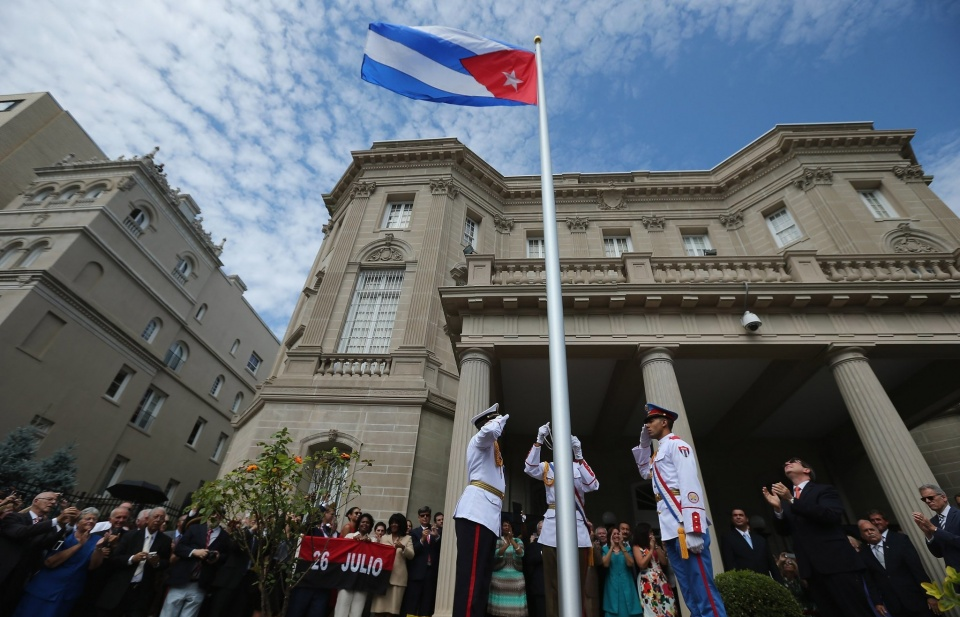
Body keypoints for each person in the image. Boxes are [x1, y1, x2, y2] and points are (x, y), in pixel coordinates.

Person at [632, 403, 726, 617]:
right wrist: (643, 444)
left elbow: (690, 485)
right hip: (670, 528)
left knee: (702, 585)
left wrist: (694, 527)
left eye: (651, 421)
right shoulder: (658, 453)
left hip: (685, 525)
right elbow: (644, 472)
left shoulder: (678, 445)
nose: (647, 425)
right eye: (645, 422)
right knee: (688, 589)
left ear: (664, 422)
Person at [762, 457, 879, 617]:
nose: (787, 463)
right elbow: (784, 531)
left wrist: (791, 499)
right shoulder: (786, 501)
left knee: (855, 611)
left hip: (837, 563)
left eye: (793, 461)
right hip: (811, 569)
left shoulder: (824, 490)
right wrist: (778, 510)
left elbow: (830, 515)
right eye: (786, 463)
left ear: (806, 470)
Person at [525, 426, 599, 617]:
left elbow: (593, 485)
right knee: (552, 586)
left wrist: (579, 455)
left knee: (579, 583)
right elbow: (529, 467)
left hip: (576, 527)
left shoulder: (577, 466)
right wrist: (538, 440)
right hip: (552, 528)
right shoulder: (548, 467)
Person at [452, 403, 509, 617]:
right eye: (494, 420)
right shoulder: (479, 441)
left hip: (487, 515)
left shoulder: (493, 450)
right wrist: (497, 421)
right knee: (471, 580)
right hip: (476, 512)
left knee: (482, 580)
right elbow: (487, 432)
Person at [11, 507, 108, 617]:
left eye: (94, 519)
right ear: (78, 521)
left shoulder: (96, 540)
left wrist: (99, 548)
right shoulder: (66, 535)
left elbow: (93, 566)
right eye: (87, 518)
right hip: (45, 587)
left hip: (69, 592)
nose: (91, 521)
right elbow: (50, 562)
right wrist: (79, 546)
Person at [0, 491, 78, 616]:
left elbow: (47, 544)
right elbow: (20, 533)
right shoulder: (15, 517)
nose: (53, 503)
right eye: (49, 499)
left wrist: (61, 523)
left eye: (55, 501)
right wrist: (55, 520)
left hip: (19, 579)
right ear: (36, 501)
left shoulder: (46, 525)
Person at [96, 507, 172, 617]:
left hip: (142, 591)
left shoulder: (165, 540)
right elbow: (115, 558)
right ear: (148, 519)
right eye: (156, 517)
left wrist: (156, 563)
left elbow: (166, 563)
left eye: (161, 518)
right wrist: (132, 558)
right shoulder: (131, 535)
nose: (158, 520)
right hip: (120, 587)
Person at [858, 519, 939, 617]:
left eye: (872, 529)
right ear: (862, 535)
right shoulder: (863, 554)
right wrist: (877, 602)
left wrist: (930, 596)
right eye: (865, 531)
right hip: (894, 605)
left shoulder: (899, 542)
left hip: (916, 599)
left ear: (878, 530)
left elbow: (917, 570)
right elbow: (870, 581)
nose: (870, 532)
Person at [159, 512, 232, 617]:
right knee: (169, 613)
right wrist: (194, 552)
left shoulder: (224, 536)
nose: (215, 516)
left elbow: (226, 557)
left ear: (222, 517)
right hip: (181, 579)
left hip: (200, 584)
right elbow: (179, 548)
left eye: (218, 514)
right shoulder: (195, 529)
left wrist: (218, 557)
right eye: (213, 513)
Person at [719, 509, 781, 581]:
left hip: (765, 580)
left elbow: (771, 563)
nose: (738, 517)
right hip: (744, 581)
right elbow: (729, 563)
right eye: (735, 515)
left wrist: (780, 583)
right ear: (732, 519)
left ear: (747, 519)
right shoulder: (727, 538)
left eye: (741, 515)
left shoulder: (760, 539)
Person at [372, 513, 414, 617]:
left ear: (401, 525)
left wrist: (403, 547)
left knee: (392, 612)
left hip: (398, 580)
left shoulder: (407, 538)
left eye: (396, 523)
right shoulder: (384, 538)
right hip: (383, 579)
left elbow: (411, 555)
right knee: (378, 611)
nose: (394, 525)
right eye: (392, 523)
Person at [402, 506, 441, 617]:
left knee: (427, 604)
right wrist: (422, 540)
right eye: (422, 516)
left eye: (427, 515)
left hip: (431, 573)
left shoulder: (437, 531)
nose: (425, 517)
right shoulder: (414, 533)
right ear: (419, 518)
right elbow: (412, 552)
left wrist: (437, 537)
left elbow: (441, 550)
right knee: (412, 604)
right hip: (417, 573)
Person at [335, 512, 376, 617]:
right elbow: (340, 551)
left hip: (362, 582)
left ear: (370, 526)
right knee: (341, 610)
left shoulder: (374, 541)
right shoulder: (349, 536)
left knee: (356, 612)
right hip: (346, 579)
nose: (365, 524)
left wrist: (370, 544)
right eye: (363, 522)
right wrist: (353, 541)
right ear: (359, 524)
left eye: (368, 523)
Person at [632, 523, 676, 617]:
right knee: (653, 608)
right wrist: (651, 550)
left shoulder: (655, 545)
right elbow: (642, 564)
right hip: (648, 580)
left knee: (668, 606)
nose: (651, 535)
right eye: (649, 533)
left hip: (661, 579)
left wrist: (656, 546)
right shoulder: (637, 547)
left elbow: (664, 562)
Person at [913, 483, 960, 569]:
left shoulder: (958, 515)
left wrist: (934, 529)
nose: (927, 501)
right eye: (924, 499)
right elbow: (938, 553)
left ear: (944, 497)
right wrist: (928, 533)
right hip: (953, 576)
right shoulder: (932, 522)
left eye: (930, 497)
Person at [488, 518, 527, 617]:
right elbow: (497, 553)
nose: (506, 527)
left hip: (516, 577)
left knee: (520, 587)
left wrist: (512, 541)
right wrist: (507, 544)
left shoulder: (518, 541)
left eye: (508, 525)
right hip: (500, 577)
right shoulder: (497, 540)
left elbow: (521, 553)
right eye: (504, 525)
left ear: (512, 528)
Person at [601, 528, 642, 617]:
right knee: (613, 609)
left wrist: (622, 546)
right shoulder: (605, 549)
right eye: (614, 534)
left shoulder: (627, 548)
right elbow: (605, 564)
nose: (616, 536)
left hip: (627, 583)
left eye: (617, 534)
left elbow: (630, 563)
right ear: (610, 537)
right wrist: (611, 547)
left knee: (629, 608)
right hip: (612, 584)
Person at [524, 520, 546, 617]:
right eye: (541, 528)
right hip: (539, 588)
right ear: (537, 531)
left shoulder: (558, 545)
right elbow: (529, 561)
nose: (544, 529)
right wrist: (543, 554)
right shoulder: (532, 546)